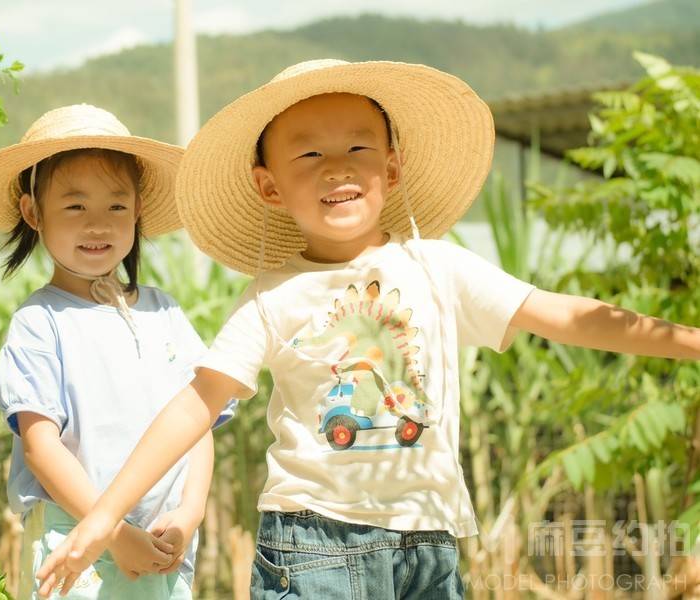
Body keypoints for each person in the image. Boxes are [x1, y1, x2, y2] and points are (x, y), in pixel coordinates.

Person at [35, 62, 700, 599]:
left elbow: (560, 313)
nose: (337, 167)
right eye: (310, 153)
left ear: (392, 168)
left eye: (359, 148)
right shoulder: (273, 295)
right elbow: (196, 404)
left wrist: (689, 340)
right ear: (269, 187)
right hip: (312, 547)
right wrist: (101, 518)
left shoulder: (438, 268)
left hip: (429, 547)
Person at [0, 104, 234, 599]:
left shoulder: (164, 313)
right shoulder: (40, 323)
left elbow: (199, 418)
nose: (98, 225)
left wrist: (190, 513)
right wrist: (113, 534)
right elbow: (41, 446)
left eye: (116, 207)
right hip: (75, 543)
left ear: (138, 210)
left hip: (166, 545)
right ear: (33, 212)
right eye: (76, 206)